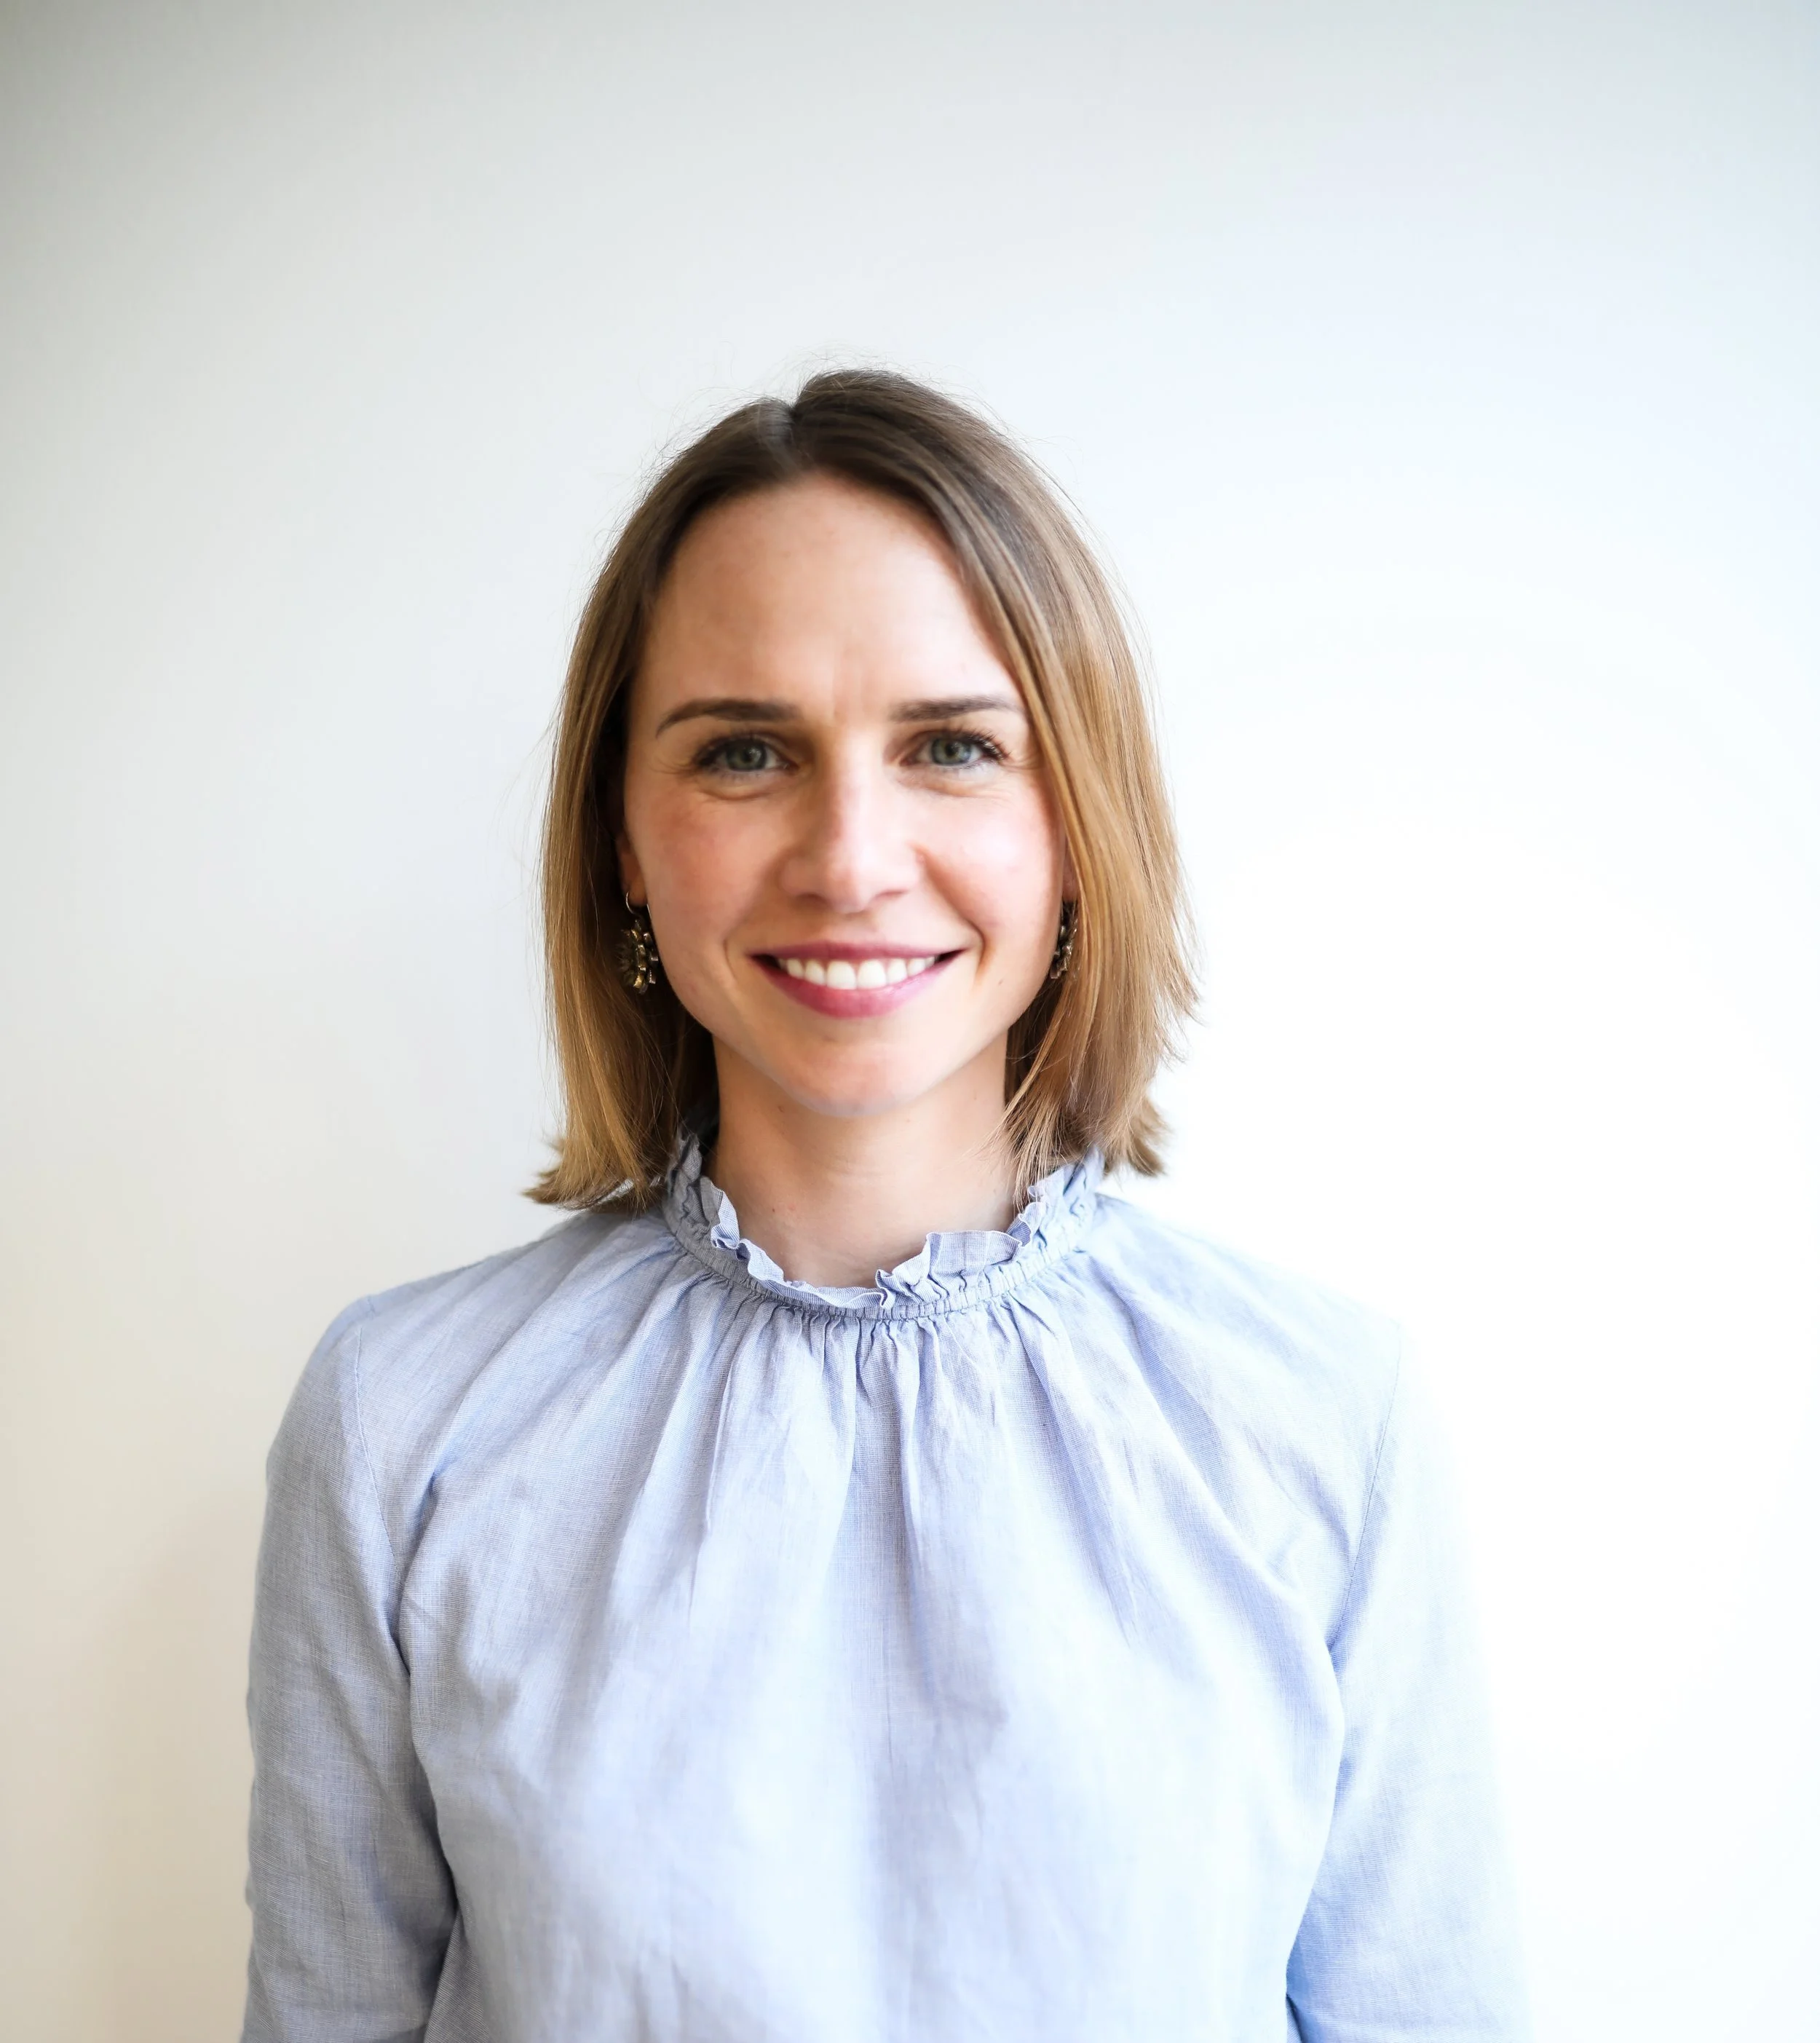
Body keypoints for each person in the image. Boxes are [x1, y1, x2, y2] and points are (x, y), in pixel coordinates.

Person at [242, 370, 1528, 2042]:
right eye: (744, 750)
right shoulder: (402, 1422)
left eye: (950, 746)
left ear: (1073, 827)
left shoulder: (1319, 1417)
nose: (848, 855)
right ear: (623, 837)